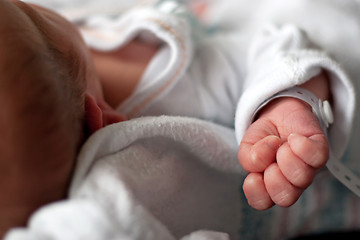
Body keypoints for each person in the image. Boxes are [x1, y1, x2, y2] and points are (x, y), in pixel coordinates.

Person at [0, 0, 358, 239]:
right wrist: (286, 100)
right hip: (329, 183)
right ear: (98, 120)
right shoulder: (178, 86)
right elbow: (278, 47)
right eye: (39, 16)